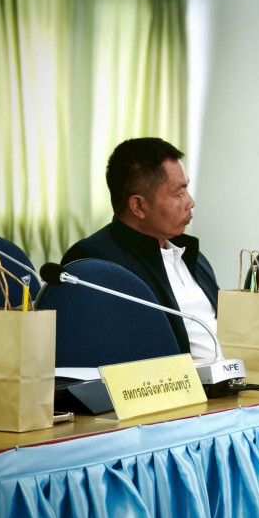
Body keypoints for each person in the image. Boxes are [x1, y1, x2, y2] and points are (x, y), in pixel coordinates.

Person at [62, 137, 219, 359]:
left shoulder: (190, 253)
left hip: (239, 375)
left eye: (187, 189)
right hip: (181, 380)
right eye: (179, 194)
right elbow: (105, 351)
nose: (190, 202)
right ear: (138, 206)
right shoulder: (96, 262)